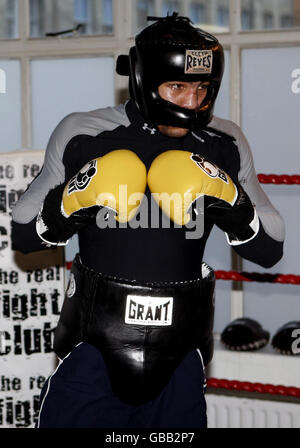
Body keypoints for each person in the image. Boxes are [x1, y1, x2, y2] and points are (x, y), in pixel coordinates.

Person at [11, 13, 284, 428]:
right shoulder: (86, 134)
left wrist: (231, 197)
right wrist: (72, 199)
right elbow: (23, 234)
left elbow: (270, 249)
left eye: (202, 88)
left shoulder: (224, 143)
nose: (192, 103)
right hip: (93, 353)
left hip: (180, 357)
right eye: (177, 87)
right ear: (142, 79)